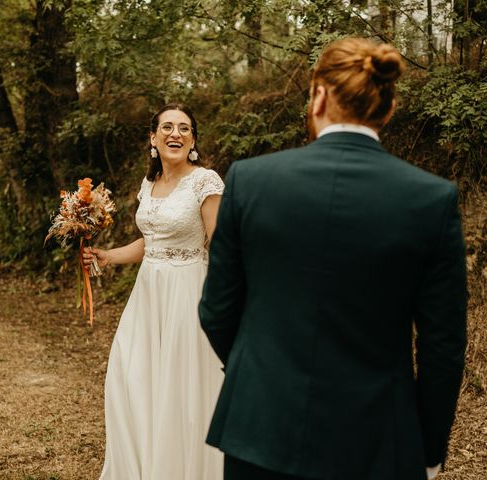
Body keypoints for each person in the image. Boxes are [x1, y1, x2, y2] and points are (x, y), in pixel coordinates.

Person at [199, 38, 467, 480]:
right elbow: (443, 345)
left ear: (319, 96)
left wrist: (261, 376)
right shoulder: (431, 200)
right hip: (377, 441)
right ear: (387, 108)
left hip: (261, 431)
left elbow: (216, 311)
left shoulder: (250, 181)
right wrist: (429, 446)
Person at [84, 103, 225, 480]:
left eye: (184, 128)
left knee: (179, 388)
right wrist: (108, 256)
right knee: (130, 377)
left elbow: (222, 241)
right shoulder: (149, 184)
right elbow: (150, 241)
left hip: (188, 291)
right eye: (166, 127)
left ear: (193, 139)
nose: (175, 134)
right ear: (153, 138)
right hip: (148, 295)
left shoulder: (205, 181)